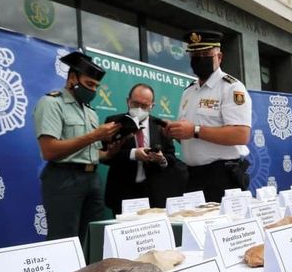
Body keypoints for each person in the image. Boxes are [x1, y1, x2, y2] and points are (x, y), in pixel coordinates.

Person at [33, 51, 122, 241]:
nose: (93, 90)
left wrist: (109, 153)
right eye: (89, 84)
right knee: (64, 241)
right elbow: (49, 150)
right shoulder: (51, 103)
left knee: (91, 239)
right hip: (63, 179)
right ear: (72, 78)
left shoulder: (90, 112)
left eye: (96, 86)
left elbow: (89, 153)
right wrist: (94, 135)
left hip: (92, 180)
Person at [164, 30, 251, 203]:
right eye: (195, 54)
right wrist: (177, 133)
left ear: (219, 57)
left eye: (205, 54)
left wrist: (194, 130)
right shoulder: (188, 91)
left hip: (221, 176)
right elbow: (192, 138)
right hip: (193, 176)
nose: (199, 58)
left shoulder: (231, 88)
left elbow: (241, 134)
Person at [102, 83, 187, 214]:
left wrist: (162, 159)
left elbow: (171, 157)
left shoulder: (160, 126)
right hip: (123, 194)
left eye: (144, 106)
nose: (139, 109)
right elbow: (105, 156)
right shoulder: (113, 122)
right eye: (135, 104)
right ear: (127, 101)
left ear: (152, 106)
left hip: (154, 195)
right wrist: (133, 154)